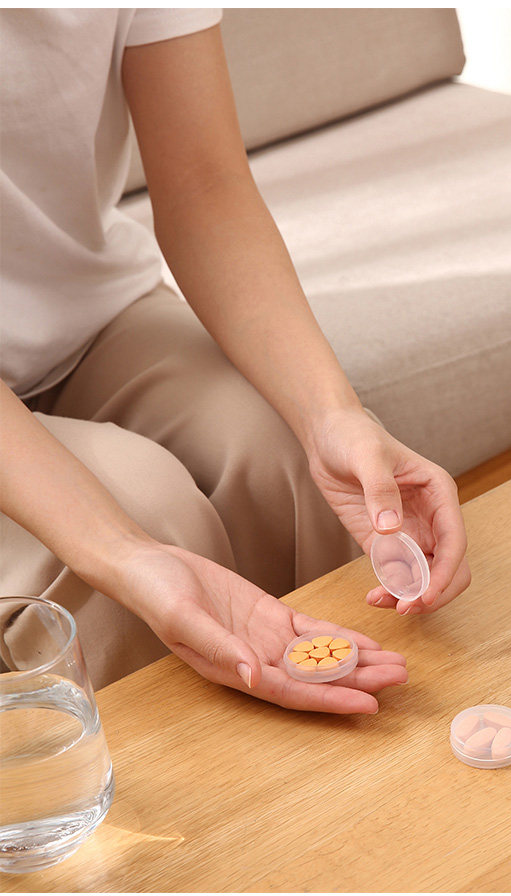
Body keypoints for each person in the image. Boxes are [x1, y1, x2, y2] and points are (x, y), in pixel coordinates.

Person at [0, 9, 471, 713]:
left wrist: (333, 416)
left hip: (90, 312)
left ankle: (365, 736)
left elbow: (203, 182)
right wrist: (126, 552)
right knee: (148, 526)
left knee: (292, 457)